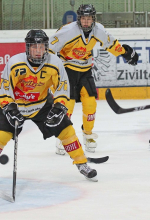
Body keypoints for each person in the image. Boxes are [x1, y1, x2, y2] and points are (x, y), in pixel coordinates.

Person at [0, 29, 98, 187]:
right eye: (34, 47)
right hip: (16, 106)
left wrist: (59, 106)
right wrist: (10, 109)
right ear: (28, 48)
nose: (38, 51)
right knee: (0, 137)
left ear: (46, 47)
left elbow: (62, 88)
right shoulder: (14, 63)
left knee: (67, 131)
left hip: (42, 105)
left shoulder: (54, 63)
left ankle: (82, 164)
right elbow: (5, 90)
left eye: (42, 47)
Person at [49, 4, 139, 155]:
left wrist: (126, 53)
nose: (86, 21)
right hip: (68, 70)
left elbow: (111, 44)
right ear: (79, 19)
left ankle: (88, 135)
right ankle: (63, 137)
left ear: (93, 19)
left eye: (89, 18)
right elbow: (50, 48)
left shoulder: (99, 30)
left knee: (90, 105)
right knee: (67, 106)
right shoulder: (68, 30)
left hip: (85, 71)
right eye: (83, 18)